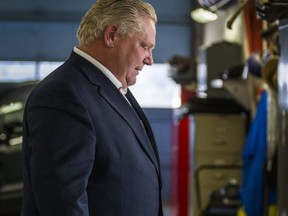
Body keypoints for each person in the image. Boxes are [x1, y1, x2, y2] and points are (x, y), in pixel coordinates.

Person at [21, 0, 163, 215]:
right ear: (112, 35)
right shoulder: (63, 94)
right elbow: (64, 201)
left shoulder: (111, 89)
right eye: (144, 46)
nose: (149, 60)